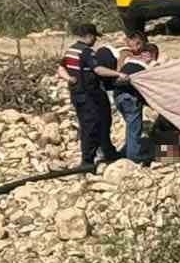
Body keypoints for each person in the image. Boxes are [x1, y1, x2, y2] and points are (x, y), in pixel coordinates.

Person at [93, 28, 159, 164]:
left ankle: (128, 153)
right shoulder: (147, 65)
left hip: (117, 96)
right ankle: (134, 157)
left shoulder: (129, 61)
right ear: (151, 55)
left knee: (131, 126)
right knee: (135, 128)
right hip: (129, 97)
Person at [57, 22, 118, 168]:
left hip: (77, 94)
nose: (95, 40)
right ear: (89, 36)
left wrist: (69, 79)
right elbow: (98, 70)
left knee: (95, 123)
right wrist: (118, 74)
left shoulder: (71, 50)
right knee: (91, 127)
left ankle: (107, 152)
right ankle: (87, 162)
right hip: (90, 95)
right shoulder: (86, 51)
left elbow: (60, 69)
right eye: (95, 37)